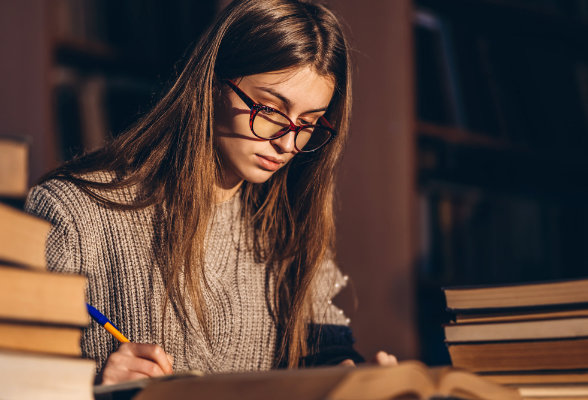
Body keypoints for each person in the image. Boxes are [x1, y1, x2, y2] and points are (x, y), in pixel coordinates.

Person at [25, 0, 397, 385]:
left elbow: (328, 354)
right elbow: (3, 378)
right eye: (269, 110)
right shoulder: (72, 214)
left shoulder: (288, 227)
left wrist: (351, 377)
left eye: (308, 123)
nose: (288, 144)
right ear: (213, 83)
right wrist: (91, 385)